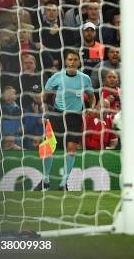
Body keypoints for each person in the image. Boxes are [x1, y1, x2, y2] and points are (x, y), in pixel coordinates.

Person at [34, 49, 96, 191]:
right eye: (70, 59)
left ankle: (64, 183)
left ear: (79, 62)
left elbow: (92, 96)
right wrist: (42, 105)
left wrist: (92, 107)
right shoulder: (56, 77)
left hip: (75, 117)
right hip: (57, 115)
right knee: (48, 147)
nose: (72, 62)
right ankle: (46, 180)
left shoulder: (84, 78)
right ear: (66, 61)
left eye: (75, 60)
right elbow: (45, 95)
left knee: (71, 149)